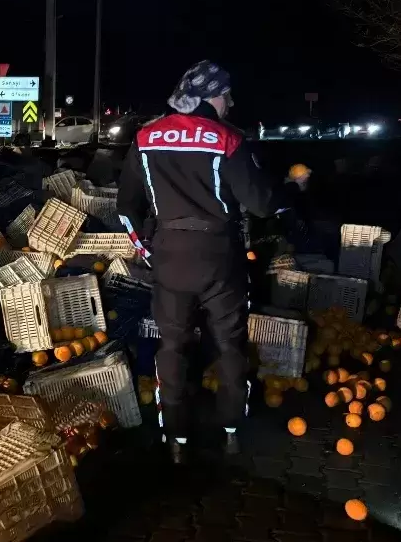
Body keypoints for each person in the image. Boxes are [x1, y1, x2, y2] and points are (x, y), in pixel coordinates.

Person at [117, 60, 307, 464]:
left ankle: (177, 440)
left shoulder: (146, 138)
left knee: (173, 348)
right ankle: (232, 432)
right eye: (226, 95)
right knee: (230, 345)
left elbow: (126, 206)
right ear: (208, 96)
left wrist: (147, 249)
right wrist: (292, 191)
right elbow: (260, 203)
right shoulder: (228, 140)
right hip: (221, 258)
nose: (231, 103)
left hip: (168, 257)